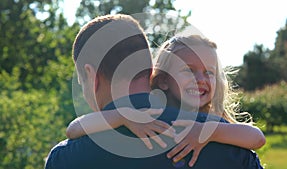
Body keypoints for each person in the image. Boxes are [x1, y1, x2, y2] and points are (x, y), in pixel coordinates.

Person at [45, 14, 264, 169]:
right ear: (152, 72)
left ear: (91, 76)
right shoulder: (232, 148)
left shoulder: (66, 159)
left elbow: (74, 129)